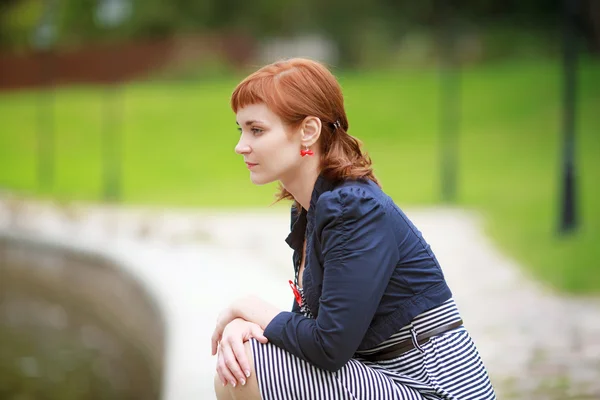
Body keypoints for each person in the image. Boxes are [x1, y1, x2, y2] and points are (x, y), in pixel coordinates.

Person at [211, 58, 496, 400]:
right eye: (241, 130)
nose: (241, 145)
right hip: (384, 378)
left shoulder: (353, 210)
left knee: (248, 369)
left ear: (308, 131)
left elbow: (328, 346)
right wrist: (247, 326)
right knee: (239, 363)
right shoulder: (313, 209)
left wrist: (249, 307)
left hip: (430, 389)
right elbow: (303, 330)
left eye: (256, 130)